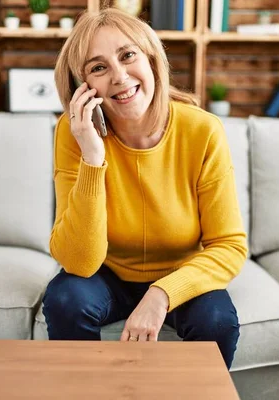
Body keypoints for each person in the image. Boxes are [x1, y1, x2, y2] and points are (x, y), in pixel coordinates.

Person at [42, 7, 248, 369]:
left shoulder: (202, 131)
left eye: (127, 56)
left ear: (152, 59)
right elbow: (78, 261)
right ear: (84, 89)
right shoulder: (73, 133)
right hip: (105, 274)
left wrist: (162, 294)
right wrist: (92, 155)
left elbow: (229, 245)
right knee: (65, 299)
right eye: (99, 67)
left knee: (216, 321)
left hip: (181, 270)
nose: (119, 77)